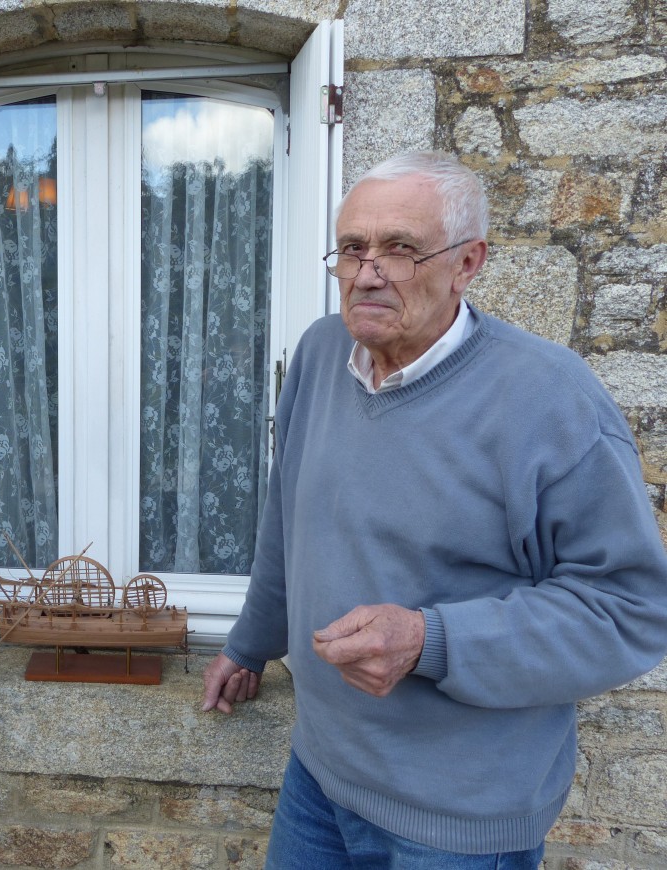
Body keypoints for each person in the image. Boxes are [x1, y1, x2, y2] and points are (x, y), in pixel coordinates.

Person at [201, 151, 667, 869]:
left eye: (400, 249)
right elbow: (289, 522)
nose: (367, 273)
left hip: (458, 819)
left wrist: (430, 641)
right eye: (352, 248)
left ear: (467, 263)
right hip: (319, 776)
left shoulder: (551, 400)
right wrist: (249, 644)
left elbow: (628, 611)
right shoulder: (321, 355)